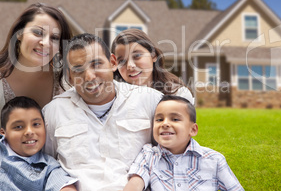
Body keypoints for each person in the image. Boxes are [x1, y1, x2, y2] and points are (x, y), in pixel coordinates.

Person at [43, 33, 163, 190]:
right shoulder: (53, 112)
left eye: (96, 64)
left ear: (113, 63)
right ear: (70, 77)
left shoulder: (150, 101)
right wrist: (62, 185)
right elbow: (45, 164)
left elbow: (173, 154)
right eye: (78, 70)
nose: (89, 77)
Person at [0, 3, 72, 141]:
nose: (46, 43)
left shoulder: (67, 78)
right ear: (19, 33)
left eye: (55, 38)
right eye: (38, 32)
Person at [124, 95, 244, 191]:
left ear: (192, 129)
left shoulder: (214, 159)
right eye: (159, 119)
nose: (164, 124)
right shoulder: (148, 155)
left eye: (175, 119)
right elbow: (135, 182)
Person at [0, 96, 78, 191]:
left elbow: (62, 183)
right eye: (18, 127)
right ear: (4, 133)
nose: (29, 132)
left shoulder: (48, 167)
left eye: (36, 124)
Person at [111, 29, 194, 104]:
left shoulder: (178, 94)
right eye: (121, 61)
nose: (130, 65)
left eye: (137, 56)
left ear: (153, 56)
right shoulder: (115, 98)